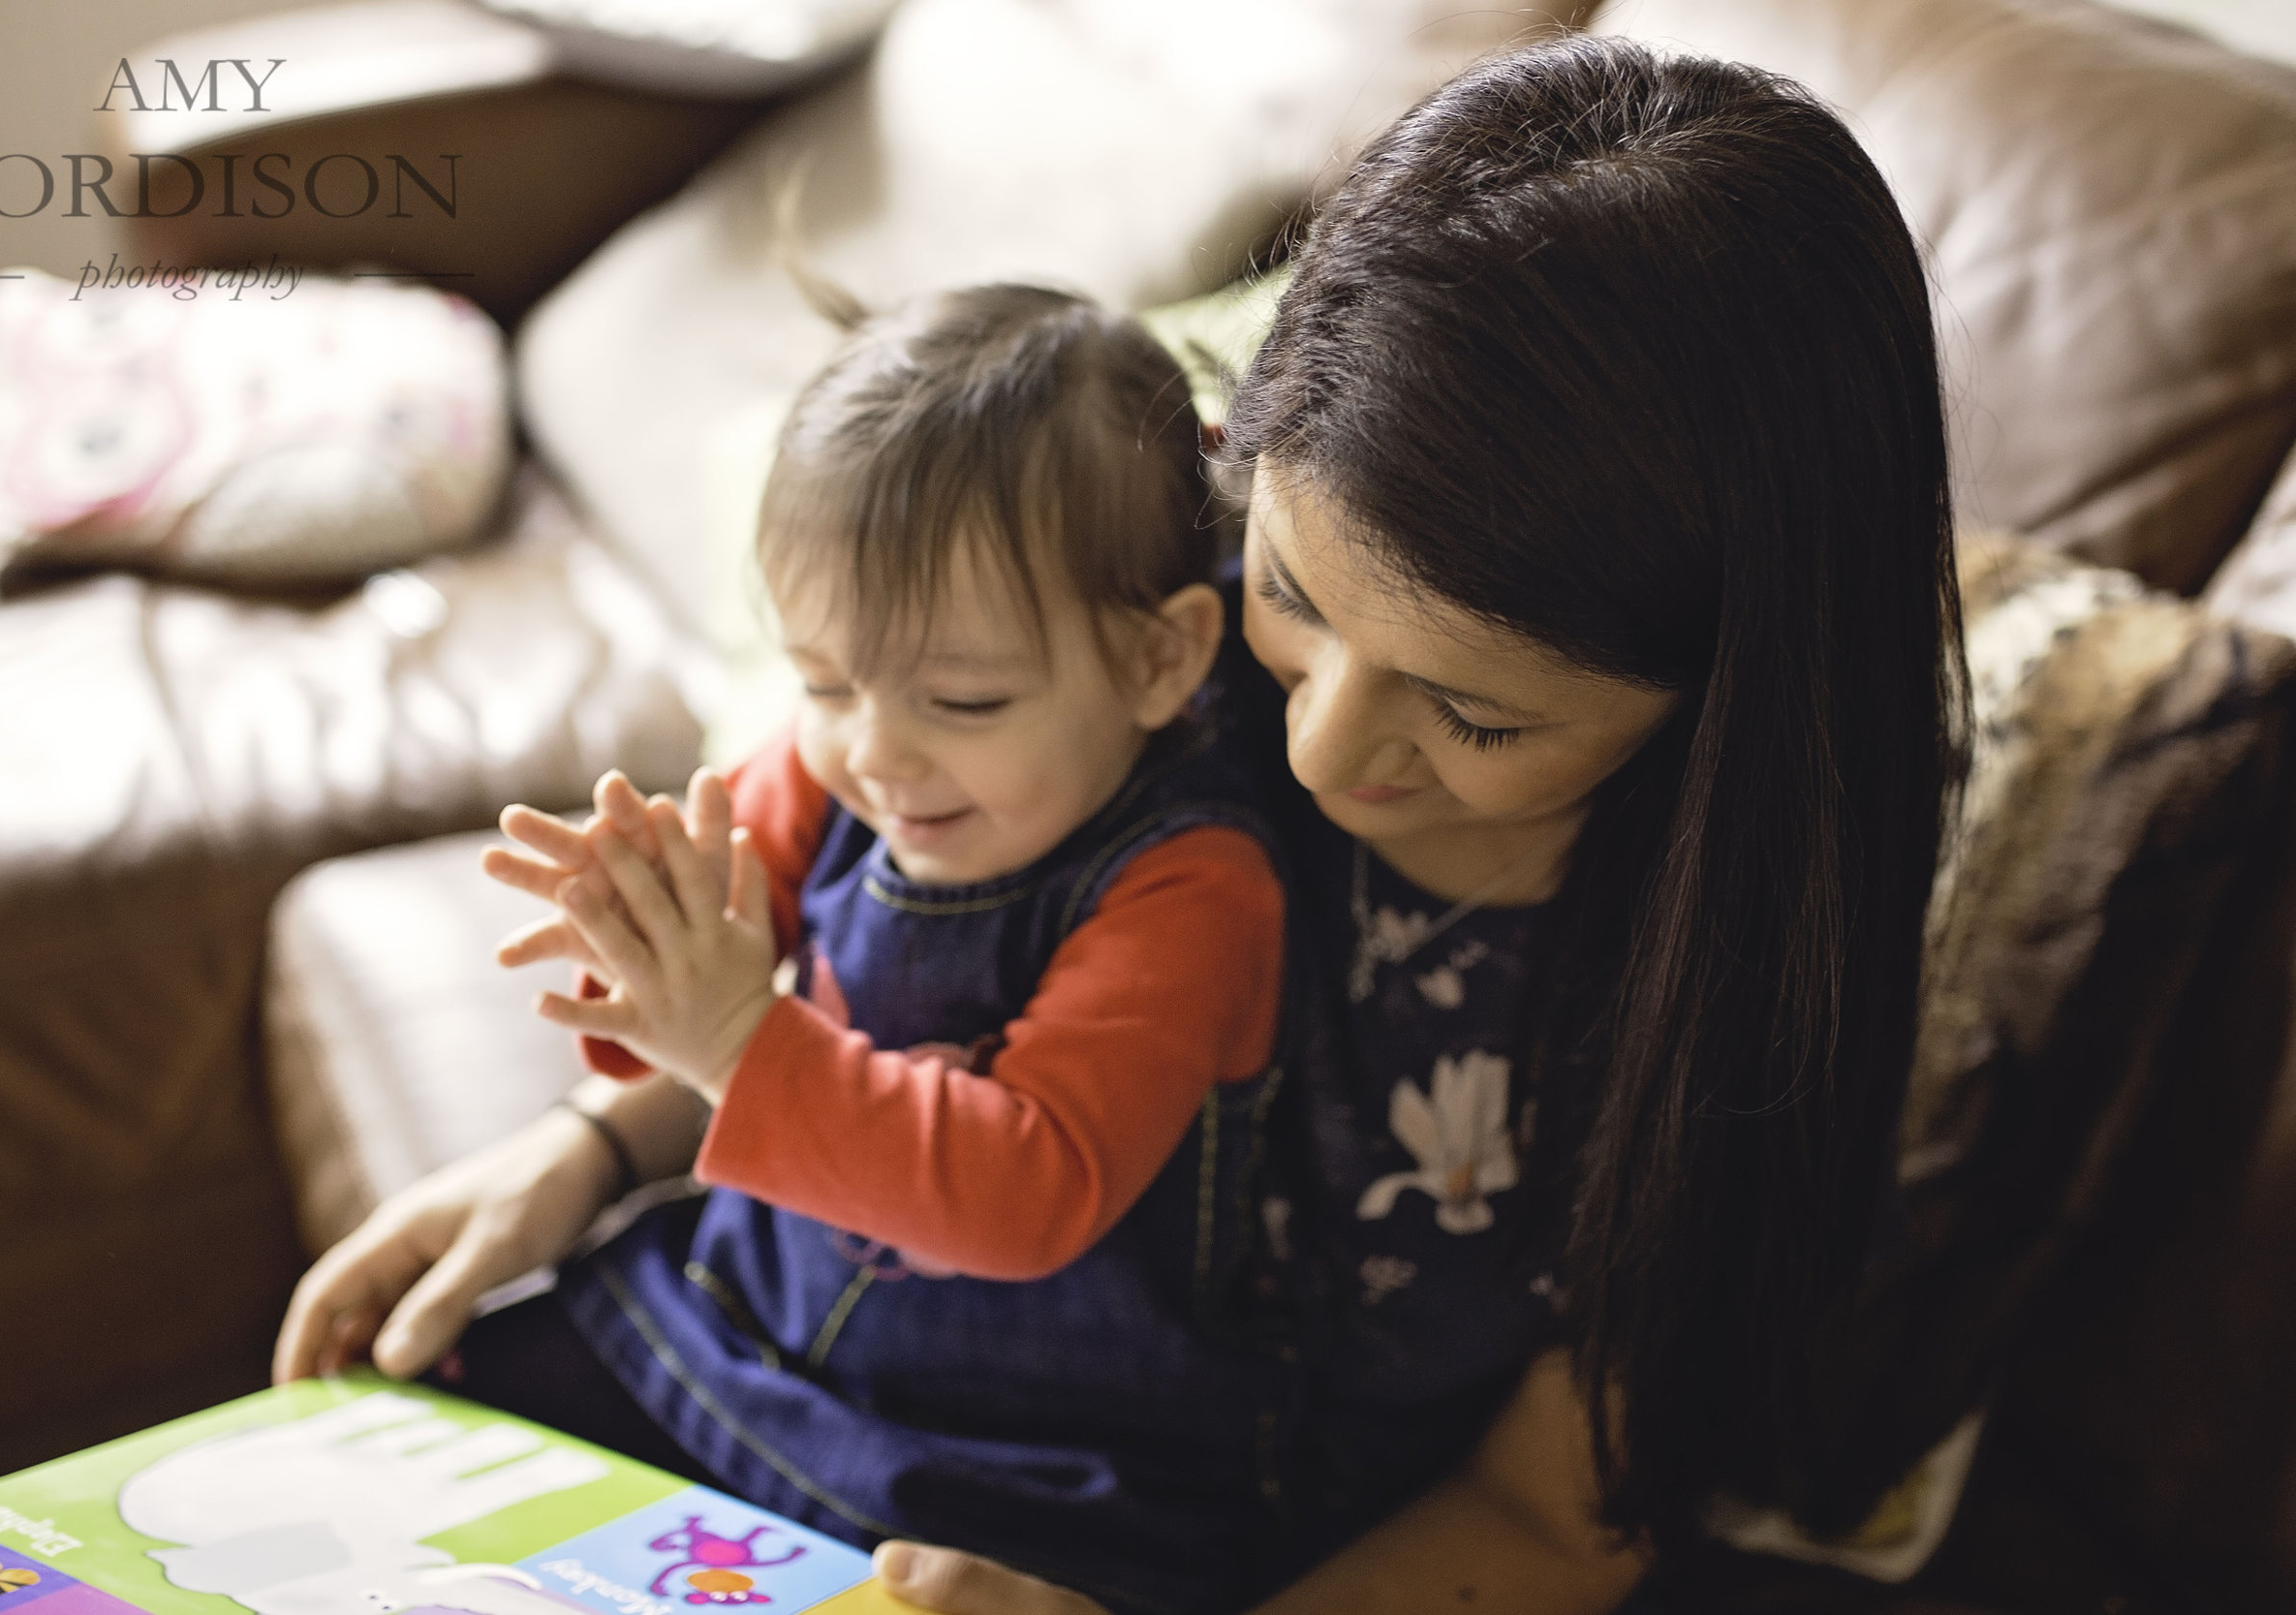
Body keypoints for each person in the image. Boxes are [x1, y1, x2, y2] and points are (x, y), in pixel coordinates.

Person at [277, 34, 1966, 1614]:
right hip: (769, 1362)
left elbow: (1549, 1522)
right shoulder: (1127, 631)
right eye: (1293, 597)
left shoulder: (1726, 987)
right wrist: (579, 1151)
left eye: (1475, 715)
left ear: (1723, 700)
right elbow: (840, 930)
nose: (1319, 746)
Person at [285, 282, 1299, 1615]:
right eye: (823, 682)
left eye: (964, 698)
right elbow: (683, 981)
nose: (874, 751)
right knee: (397, 1436)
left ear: (1161, 660)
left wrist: (732, 1038)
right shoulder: (840, 769)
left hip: (1026, 1466)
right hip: (723, 1331)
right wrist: (634, 937)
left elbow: (1027, 1189)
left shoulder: (1195, 887)